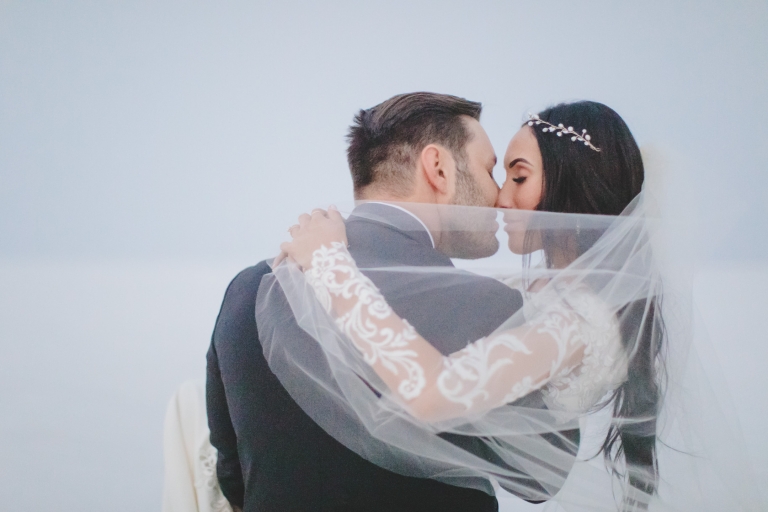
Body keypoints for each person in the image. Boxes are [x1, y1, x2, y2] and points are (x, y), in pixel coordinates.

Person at [273, 101, 665, 509]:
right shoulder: (551, 295)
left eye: (519, 177)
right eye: (502, 175)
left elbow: (430, 395)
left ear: (568, 184)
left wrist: (329, 262)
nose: (501, 198)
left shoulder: (580, 324)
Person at [204, 92, 577, 512]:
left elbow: (233, 476)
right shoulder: (492, 306)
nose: (499, 196)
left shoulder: (248, 289)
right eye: (490, 170)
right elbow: (541, 477)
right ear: (438, 169)